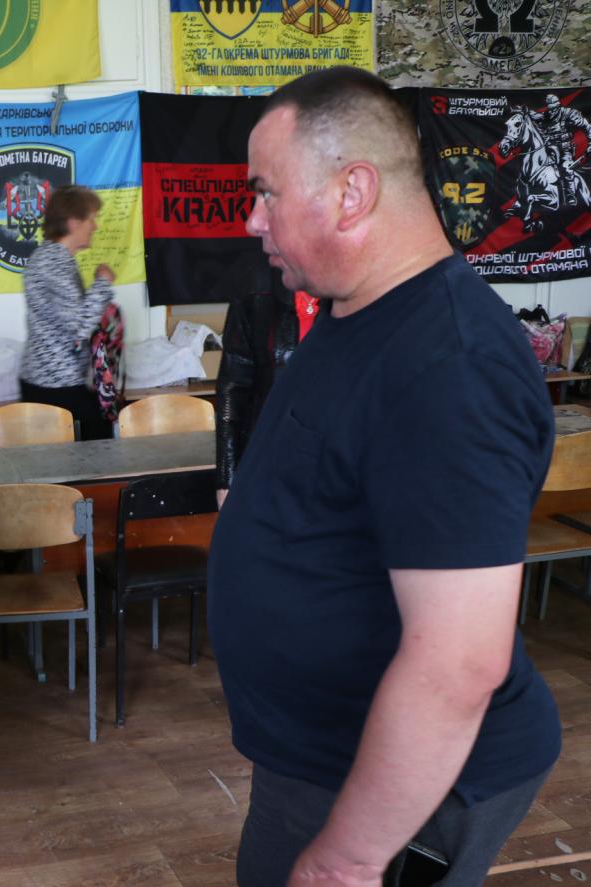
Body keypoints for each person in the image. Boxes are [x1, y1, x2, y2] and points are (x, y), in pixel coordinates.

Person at [207, 67, 561, 886]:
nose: (252, 219)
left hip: (392, 791)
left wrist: (349, 857)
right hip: (319, 758)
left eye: (265, 193)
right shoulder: (357, 310)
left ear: (352, 192)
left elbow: (457, 663)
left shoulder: (451, 365)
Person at [19, 184, 116, 441]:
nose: (95, 226)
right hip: (55, 384)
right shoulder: (53, 262)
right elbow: (79, 326)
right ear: (74, 223)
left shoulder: (54, 258)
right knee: (98, 449)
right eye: (91, 218)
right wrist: (103, 283)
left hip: (54, 380)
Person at [214, 273, 318, 508]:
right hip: (271, 460)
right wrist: (226, 478)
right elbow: (233, 388)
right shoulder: (255, 294)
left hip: (336, 466)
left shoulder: (356, 295)